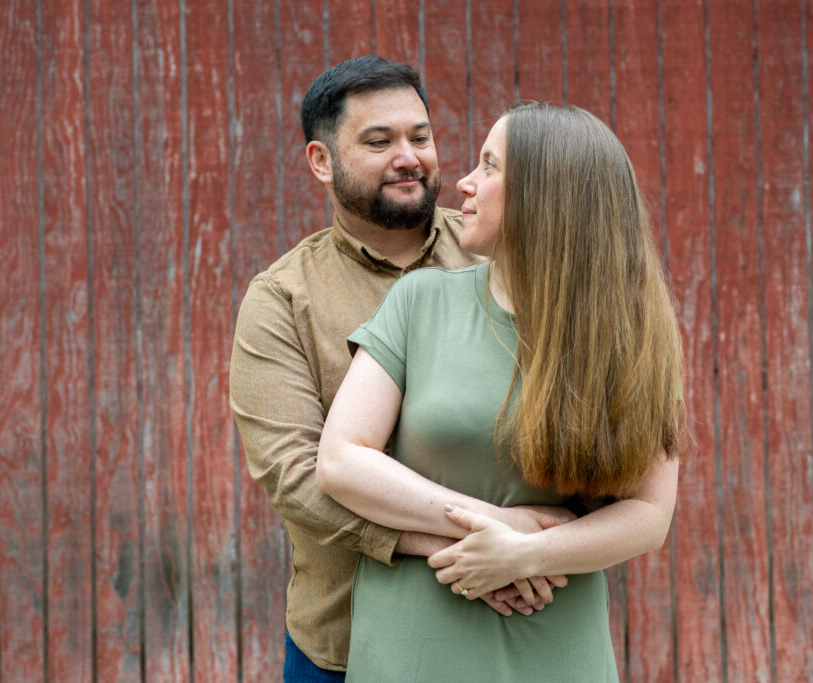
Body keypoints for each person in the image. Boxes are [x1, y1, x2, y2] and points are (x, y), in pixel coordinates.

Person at [317, 103, 687, 682]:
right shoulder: (420, 302)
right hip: (414, 649)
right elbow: (341, 460)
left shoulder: (632, 336)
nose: (464, 181)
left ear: (544, 198)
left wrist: (527, 554)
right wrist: (497, 526)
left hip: (556, 647)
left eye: (489, 166)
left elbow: (648, 514)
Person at [230, 57, 567, 682]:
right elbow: (298, 478)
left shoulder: (503, 254)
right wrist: (471, 545)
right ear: (321, 161)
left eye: (421, 136)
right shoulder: (282, 299)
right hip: (345, 640)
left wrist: (541, 540)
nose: (410, 157)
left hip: (518, 627)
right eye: (379, 141)